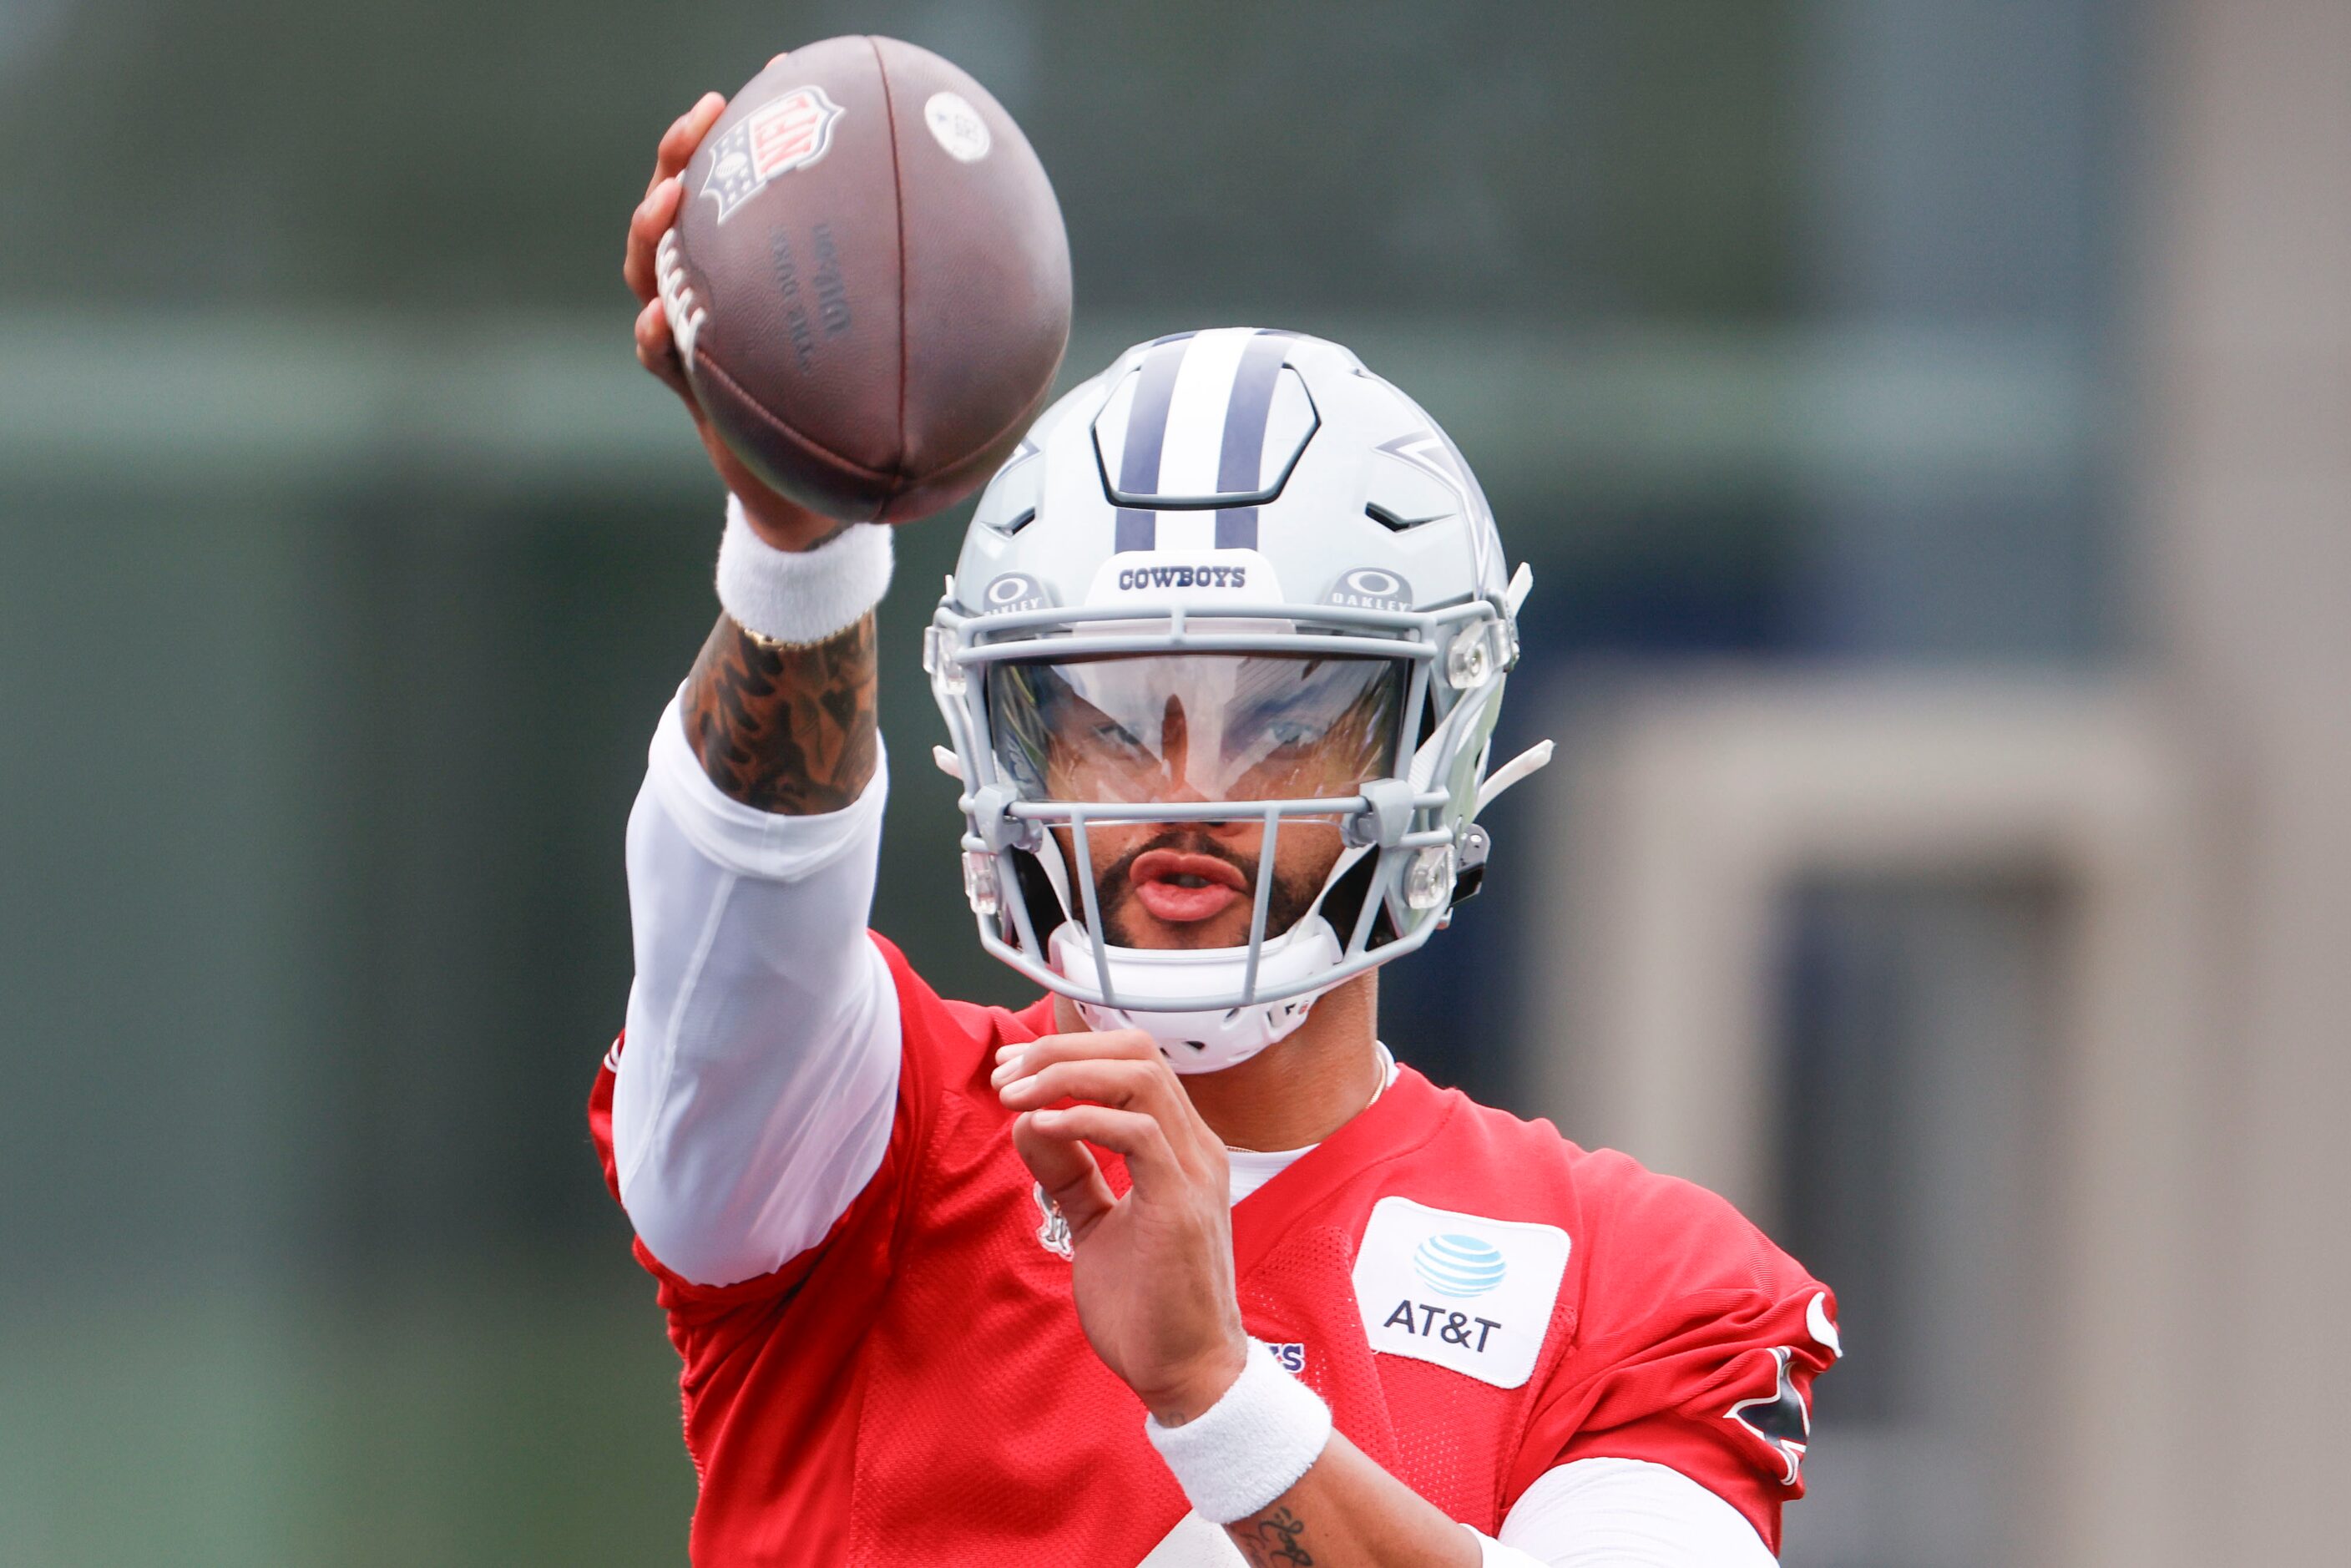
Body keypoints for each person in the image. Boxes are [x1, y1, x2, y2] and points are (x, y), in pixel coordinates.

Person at [599, 91, 1838, 1567]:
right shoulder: (862, 1142)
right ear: (1009, 737)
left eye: (1283, 713)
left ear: (1420, 740)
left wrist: (1217, 1399)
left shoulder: (1640, 1283)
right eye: (1114, 718)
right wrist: (799, 545)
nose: (1187, 785)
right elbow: (750, 892)